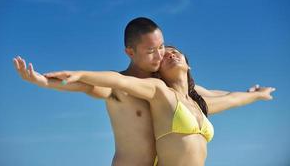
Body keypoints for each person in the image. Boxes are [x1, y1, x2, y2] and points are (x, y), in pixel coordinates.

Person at [13, 17, 261, 165]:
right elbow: (86, 85)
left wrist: (254, 94)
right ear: (130, 52)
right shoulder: (120, 86)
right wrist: (41, 81)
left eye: (162, 46)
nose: (161, 54)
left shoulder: (171, 91)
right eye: (151, 51)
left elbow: (221, 96)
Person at [41, 46, 275, 166]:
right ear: (158, 71)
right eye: (165, 56)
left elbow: (231, 98)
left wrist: (255, 95)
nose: (171, 54)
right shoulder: (160, 91)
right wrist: (81, 74)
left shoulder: (198, 104)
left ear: (188, 65)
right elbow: (118, 81)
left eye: (176, 52)